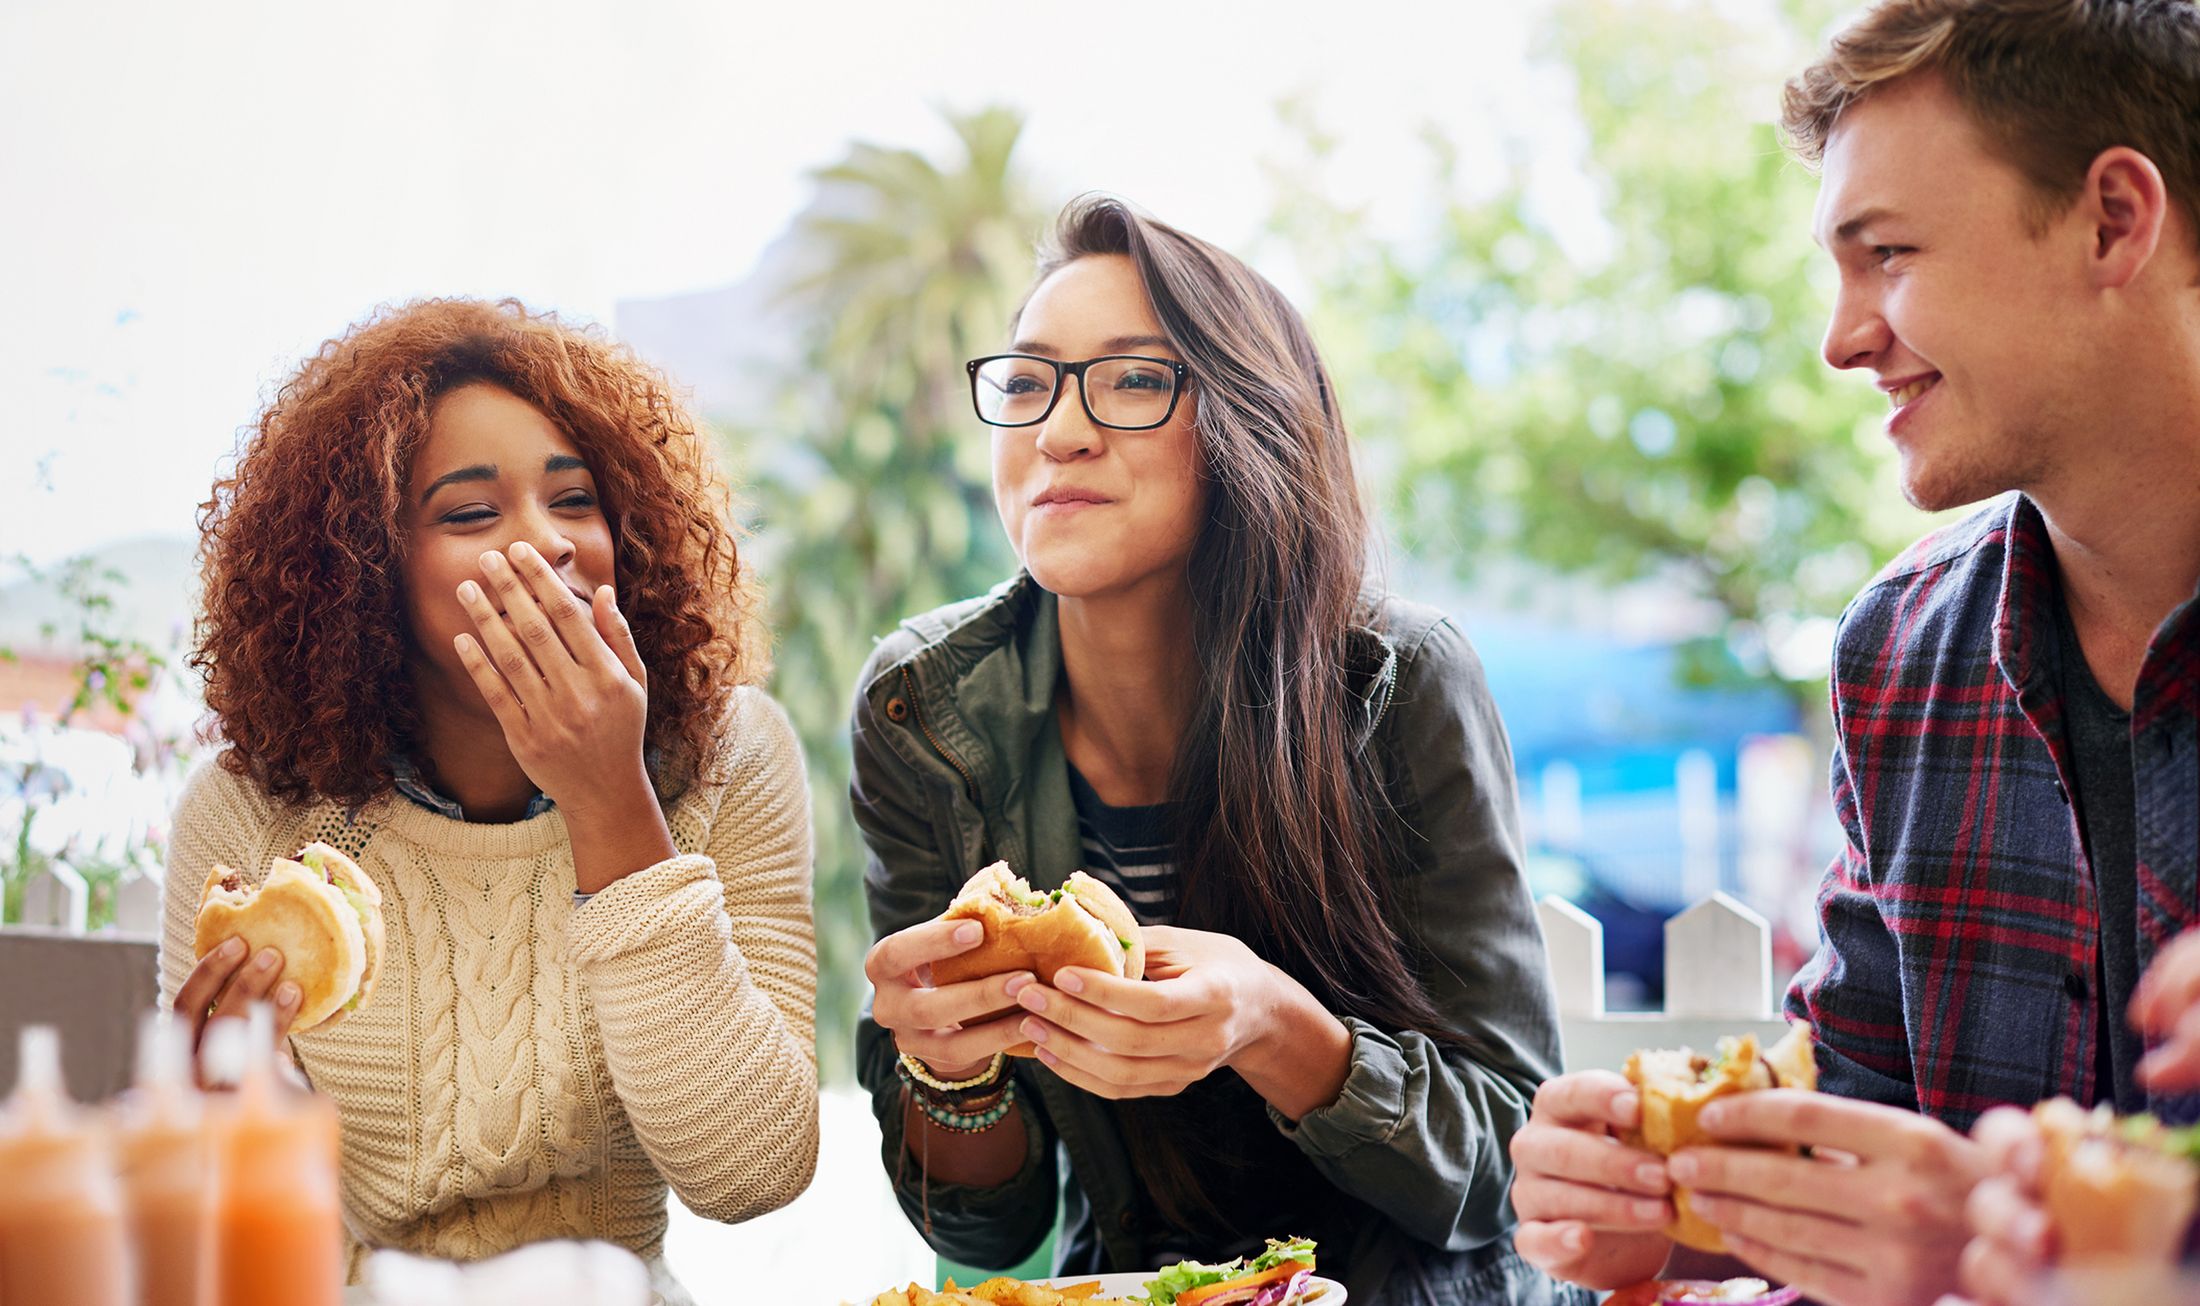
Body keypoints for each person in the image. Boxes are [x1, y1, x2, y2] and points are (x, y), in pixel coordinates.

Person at [1509, 1, 2200, 1303]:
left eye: (1886, 253)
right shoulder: (1900, 646)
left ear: (2114, 219)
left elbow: (1944, 1225)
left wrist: (2008, 1244)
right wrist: (1673, 1210)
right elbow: (1865, 1120)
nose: (1841, 337)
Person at [848, 195, 1586, 1306]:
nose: (1058, 431)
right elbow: (989, 1232)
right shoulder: (922, 709)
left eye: (1135, 380)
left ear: (1250, 421)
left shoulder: (1399, 678)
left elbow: (1507, 1166)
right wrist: (950, 1070)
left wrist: (1273, 1026)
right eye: (1028, 381)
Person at [161, 298, 820, 1303]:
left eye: (575, 500)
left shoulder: (728, 755)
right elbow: (238, 1228)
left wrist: (610, 799)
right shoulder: (253, 813)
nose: (545, 544)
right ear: (367, 569)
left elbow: (751, 1171)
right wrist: (229, 1126)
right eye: (471, 513)